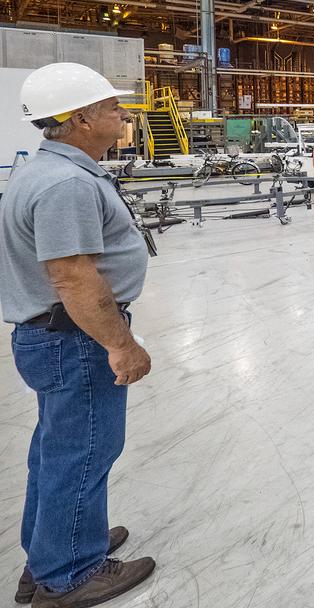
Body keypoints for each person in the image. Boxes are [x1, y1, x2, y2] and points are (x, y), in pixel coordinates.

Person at [1, 63, 157, 607]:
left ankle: (53, 550)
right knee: (83, 450)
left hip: (56, 336)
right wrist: (120, 342)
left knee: (58, 449)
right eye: (112, 107)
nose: (121, 115)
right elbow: (72, 276)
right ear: (82, 118)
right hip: (75, 339)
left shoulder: (53, 169)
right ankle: (67, 571)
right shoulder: (66, 182)